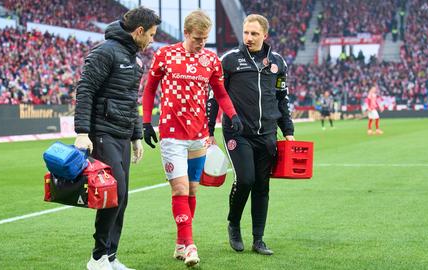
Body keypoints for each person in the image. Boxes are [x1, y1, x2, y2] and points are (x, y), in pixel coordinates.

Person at [141, 10, 243, 267]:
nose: (201, 43)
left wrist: (232, 115)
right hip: (172, 134)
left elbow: (220, 93)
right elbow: (150, 89)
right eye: (198, 38)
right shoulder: (165, 55)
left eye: (205, 38)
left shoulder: (210, 59)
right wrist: (145, 122)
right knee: (180, 189)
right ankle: (190, 246)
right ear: (186, 33)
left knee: (193, 190)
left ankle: (179, 242)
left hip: (199, 135)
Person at [73, 7, 161, 270]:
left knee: (122, 198)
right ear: (139, 31)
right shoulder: (105, 52)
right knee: (115, 192)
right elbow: (85, 89)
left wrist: (136, 137)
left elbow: (130, 100)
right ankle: (97, 257)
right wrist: (81, 132)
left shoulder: (135, 60)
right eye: (152, 35)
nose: (152, 40)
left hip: (122, 135)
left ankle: (110, 257)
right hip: (102, 132)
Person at [207, 14, 294, 256]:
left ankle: (259, 239)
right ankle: (234, 225)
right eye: (246, 32)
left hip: (267, 133)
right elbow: (214, 97)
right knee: (245, 179)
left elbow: (282, 99)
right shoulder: (229, 60)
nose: (249, 37)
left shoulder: (277, 63)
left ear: (265, 35)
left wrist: (288, 132)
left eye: (254, 33)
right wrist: (208, 131)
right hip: (238, 132)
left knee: (262, 186)